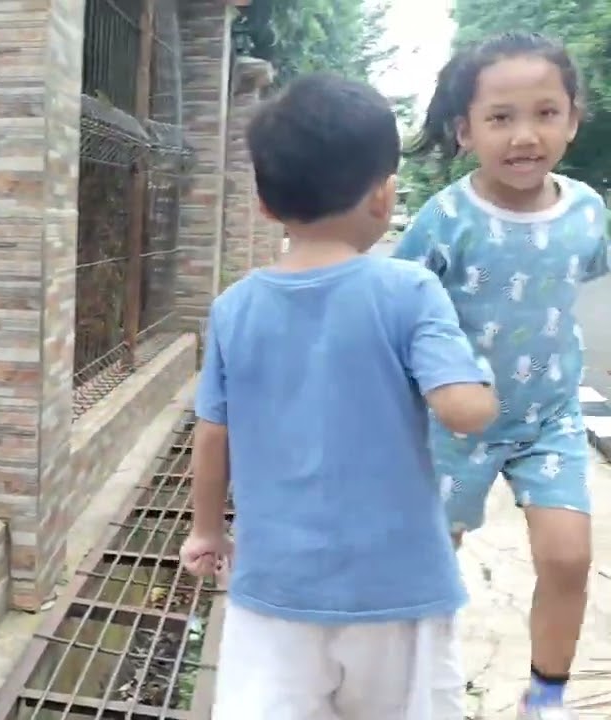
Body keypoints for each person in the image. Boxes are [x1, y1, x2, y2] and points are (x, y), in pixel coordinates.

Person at [181, 72, 500, 719]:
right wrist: (486, 384)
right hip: (398, 590)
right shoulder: (409, 292)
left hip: (274, 590)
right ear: (384, 197)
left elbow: (214, 435)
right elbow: (464, 411)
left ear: (267, 206)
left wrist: (206, 531)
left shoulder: (233, 308)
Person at [393, 31, 610, 719]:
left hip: (550, 419)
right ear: (464, 131)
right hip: (454, 424)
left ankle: (544, 697)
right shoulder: (446, 219)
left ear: (574, 119)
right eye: (500, 117)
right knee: (431, 564)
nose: (525, 135)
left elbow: (589, 293)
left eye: (546, 113)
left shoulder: (587, 212)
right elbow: (395, 307)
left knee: (569, 558)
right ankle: (415, 684)